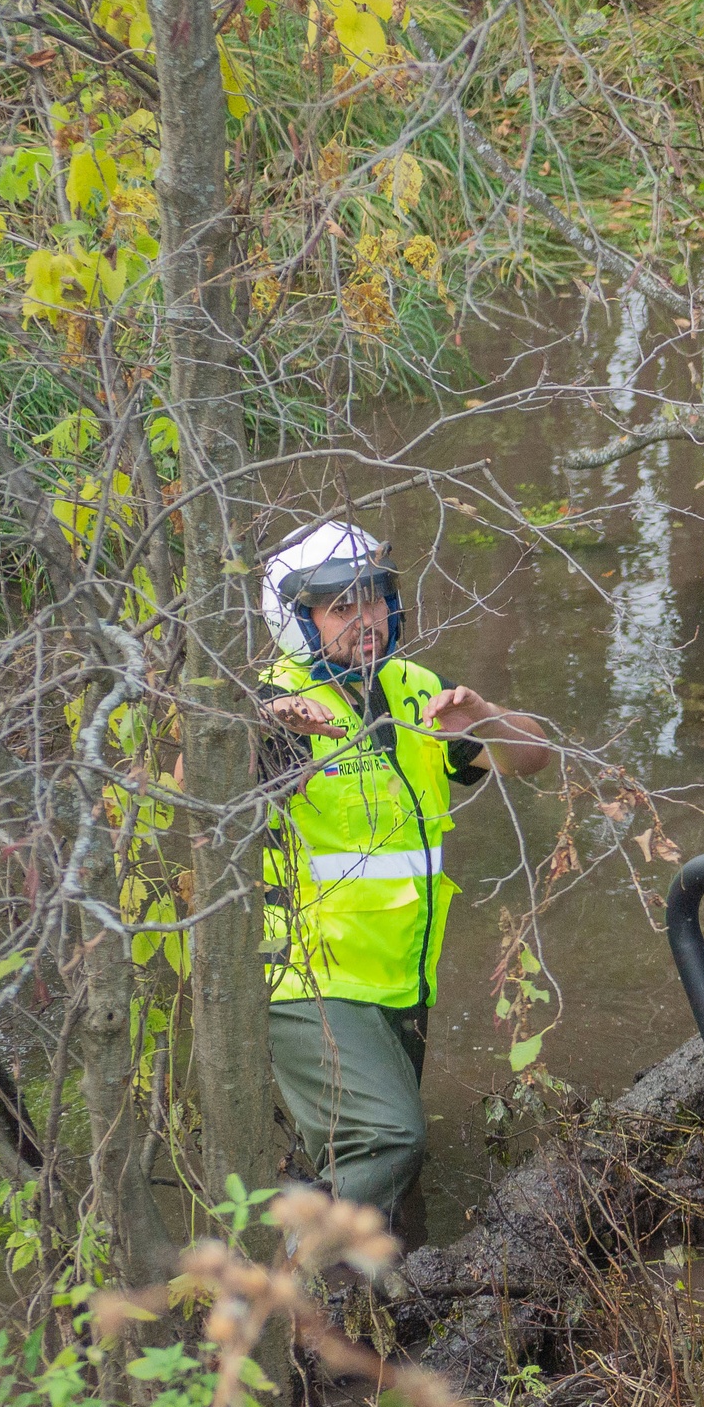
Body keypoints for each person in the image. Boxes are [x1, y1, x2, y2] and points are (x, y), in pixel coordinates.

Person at [257, 521, 551, 1216]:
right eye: (342, 606)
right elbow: (188, 788)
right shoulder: (275, 701)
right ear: (299, 620)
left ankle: (369, 1303)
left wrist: (486, 716)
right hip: (310, 983)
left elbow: (532, 758)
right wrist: (266, 728)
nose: (369, 619)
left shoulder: (415, 688)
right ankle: (303, 1296)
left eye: (378, 599)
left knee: (376, 1169)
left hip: (401, 980)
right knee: (391, 1138)